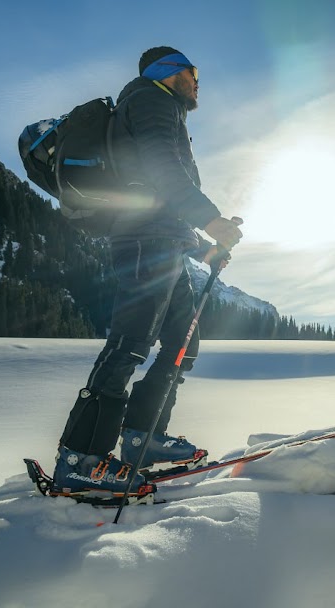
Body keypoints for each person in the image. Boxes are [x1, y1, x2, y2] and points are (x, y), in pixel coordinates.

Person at [52, 46, 243, 499]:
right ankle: (80, 459)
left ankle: (143, 436)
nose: (198, 80)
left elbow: (157, 200)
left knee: (182, 344)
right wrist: (210, 218)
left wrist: (203, 247)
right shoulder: (151, 99)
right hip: (143, 245)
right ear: (167, 72)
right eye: (191, 71)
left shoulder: (157, 105)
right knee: (130, 344)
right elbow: (164, 169)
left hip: (162, 242)